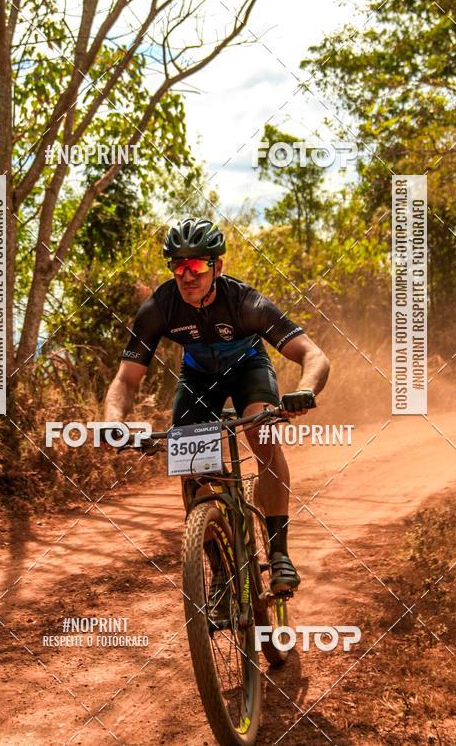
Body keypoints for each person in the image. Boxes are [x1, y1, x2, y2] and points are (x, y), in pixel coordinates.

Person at [103, 217, 330, 621]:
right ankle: (223, 574)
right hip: (198, 379)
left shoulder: (246, 303)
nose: (187, 275)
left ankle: (278, 552)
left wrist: (306, 391)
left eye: (197, 266)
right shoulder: (159, 308)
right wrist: (112, 420)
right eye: (178, 266)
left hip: (248, 369)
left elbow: (313, 355)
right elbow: (126, 379)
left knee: (261, 429)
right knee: (193, 465)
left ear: (217, 268)